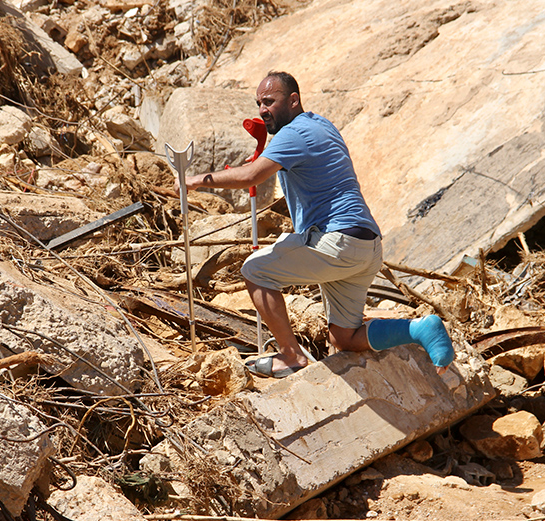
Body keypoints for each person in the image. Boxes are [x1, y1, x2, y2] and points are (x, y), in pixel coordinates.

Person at [179, 71, 454, 378]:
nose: (261, 109)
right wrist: (261, 159)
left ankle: (291, 356)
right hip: (366, 246)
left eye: (269, 101)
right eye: (258, 103)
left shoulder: (293, 134)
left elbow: (250, 177)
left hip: (337, 241)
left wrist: (195, 181)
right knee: (344, 338)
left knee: (255, 271)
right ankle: (420, 329)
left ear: (293, 100)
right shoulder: (321, 125)